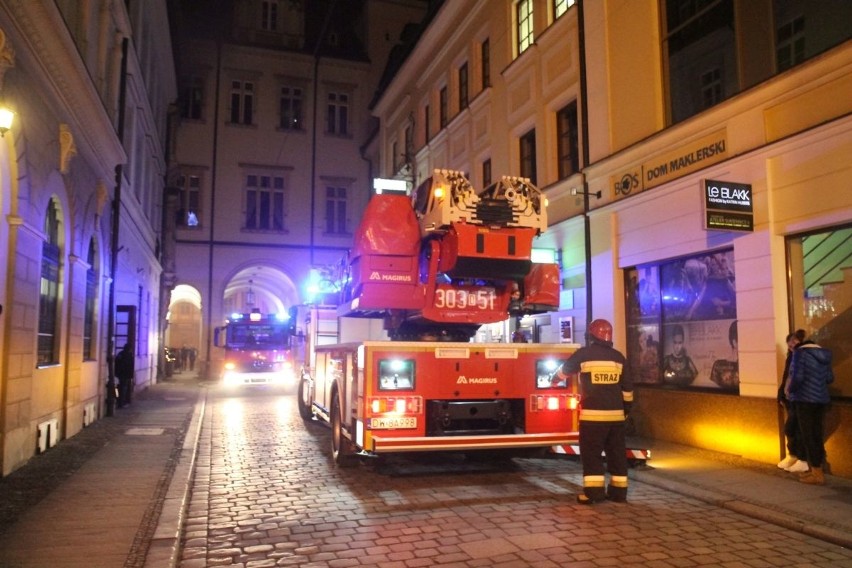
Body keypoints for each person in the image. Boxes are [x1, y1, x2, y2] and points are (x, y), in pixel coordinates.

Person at [555, 319, 633, 504]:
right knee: (617, 454)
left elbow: (563, 372)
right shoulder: (618, 357)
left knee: (592, 454)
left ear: (591, 335)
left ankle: (594, 494)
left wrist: (553, 379)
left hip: (592, 418)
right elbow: (628, 390)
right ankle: (618, 494)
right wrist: (626, 411)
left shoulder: (584, 354)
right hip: (616, 417)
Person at [786, 335, 834, 485]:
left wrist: (789, 390)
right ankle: (815, 470)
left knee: (808, 435)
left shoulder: (800, 354)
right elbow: (830, 378)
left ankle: (817, 474)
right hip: (820, 400)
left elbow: (797, 377)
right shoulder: (824, 355)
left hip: (804, 400)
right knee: (816, 434)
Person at [777, 330, 807, 472]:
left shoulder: (805, 357)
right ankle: (793, 455)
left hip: (801, 398)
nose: (792, 347)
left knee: (796, 428)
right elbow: (786, 376)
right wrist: (781, 392)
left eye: (794, 343)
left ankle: (801, 458)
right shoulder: (791, 357)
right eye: (789, 346)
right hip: (790, 398)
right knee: (790, 428)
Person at [115, 343, 134, 408]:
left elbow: (116, 363)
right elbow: (131, 366)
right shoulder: (129, 355)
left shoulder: (120, 354)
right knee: (124, 389)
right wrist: (131, 376)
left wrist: (116, 373)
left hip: (119, 374)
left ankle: (117, 400)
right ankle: (121, 402)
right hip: (125, 375)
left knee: (118, 388)